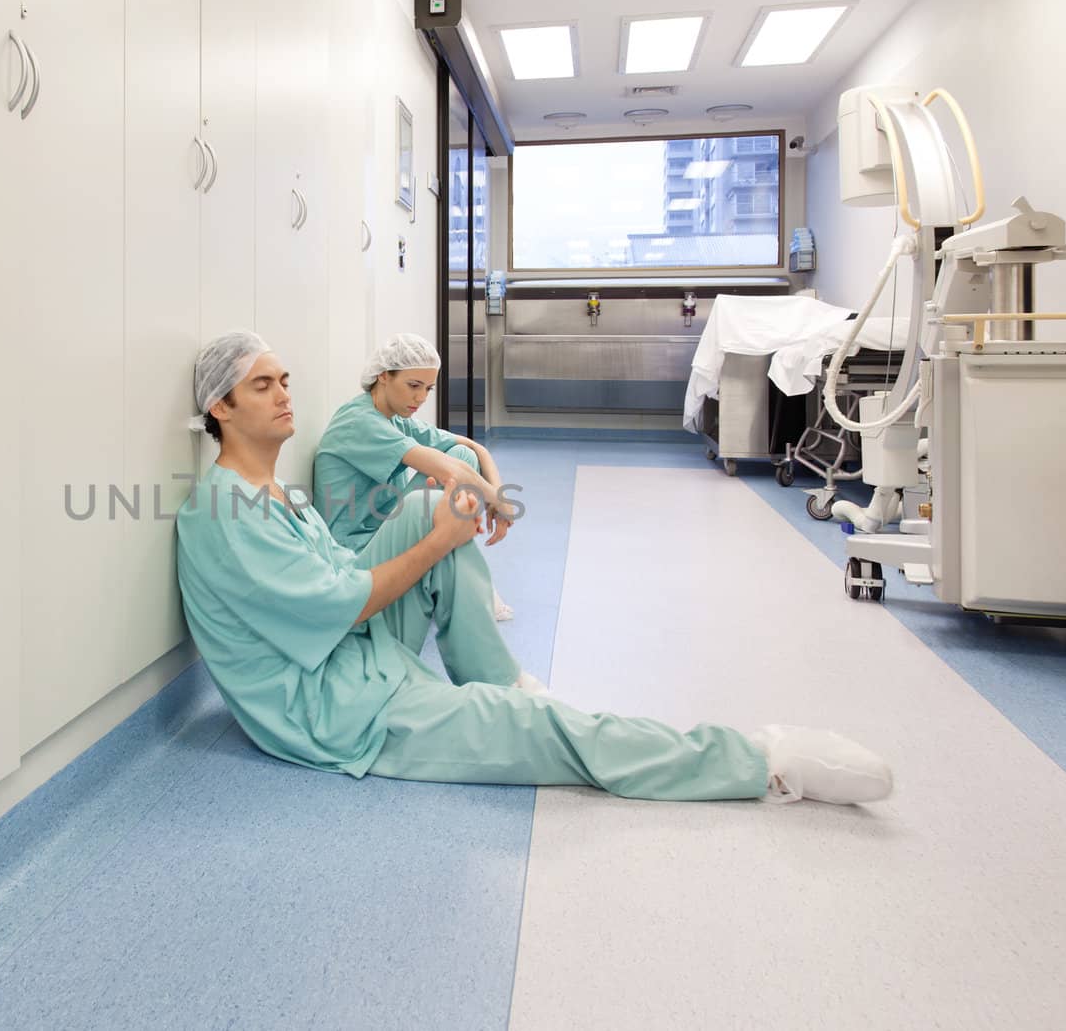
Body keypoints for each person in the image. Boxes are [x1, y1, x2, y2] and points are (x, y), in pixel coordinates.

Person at [176, 330, 893, 804]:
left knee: (432, 510)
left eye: (284, 379)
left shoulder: (279, 494)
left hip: (355, 657)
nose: (284, 393)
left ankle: (503, 682)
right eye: (263, 385)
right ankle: (760, 761)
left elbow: (358, 567)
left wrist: (455, 509)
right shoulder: (225, 511)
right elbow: (347, 603)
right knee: (546, 734)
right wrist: (439, 537)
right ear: (221, 407)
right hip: (335, 711)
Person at [315, 333, 517, 621]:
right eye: (413, 386)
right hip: (354, 556)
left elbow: (474, 447)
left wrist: (498, 500)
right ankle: (467, 587)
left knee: (462, 456)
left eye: (428, 389)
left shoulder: (394, 419)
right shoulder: (359, 422)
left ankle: (463, 584)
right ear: (383, 376)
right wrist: (496, 499)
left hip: (385, 534)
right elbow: (450, 470)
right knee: (454, 470)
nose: (420, 398)